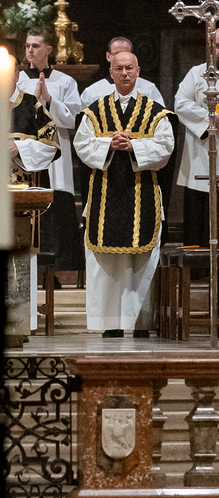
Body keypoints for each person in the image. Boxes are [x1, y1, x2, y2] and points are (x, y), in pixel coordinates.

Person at [74, 50, 175, 338]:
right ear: (111, 72)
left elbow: (166, 147)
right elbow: (82, 145)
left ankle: (140, 322)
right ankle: (109, 323)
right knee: (106, 264)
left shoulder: (155, 112)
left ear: (138, 71)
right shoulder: (95, 111)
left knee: (141, 263)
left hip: (142, 192)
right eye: (119, 68)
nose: (125, 73)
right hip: (104, 194)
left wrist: (134, 147)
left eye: (129, 68)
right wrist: (108, 145)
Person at [0, 61, 60, 331]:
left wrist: (20, 148)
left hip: (25, 196)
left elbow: (51, 145)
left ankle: (24, 320)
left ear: (17, 75)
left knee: (23, 251)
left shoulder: (33, 106)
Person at [17, 27, 84, 274]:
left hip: (56, 154)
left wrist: (49, 101)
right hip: (26, 154)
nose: (30, 50)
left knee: (59, 206)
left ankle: (63, 269)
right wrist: (33, 103)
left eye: (36, 46)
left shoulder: (66, 82)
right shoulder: (18, 81)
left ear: (48, 49)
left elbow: (74, 119)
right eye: (27, 46)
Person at [174, 29, 219, 246]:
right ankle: (198, 264)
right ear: (210, 47)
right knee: (199, 225)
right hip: (201, 158)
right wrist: (211, 119)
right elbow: (180, 104)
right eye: (217, 46)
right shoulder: (196, 73)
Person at [80, 37, 164, 108]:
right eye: (116, 54)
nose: (121, 57)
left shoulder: (149, 89)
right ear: (108, 56)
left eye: (126, 53)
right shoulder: (92, 92)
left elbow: (161, 118)